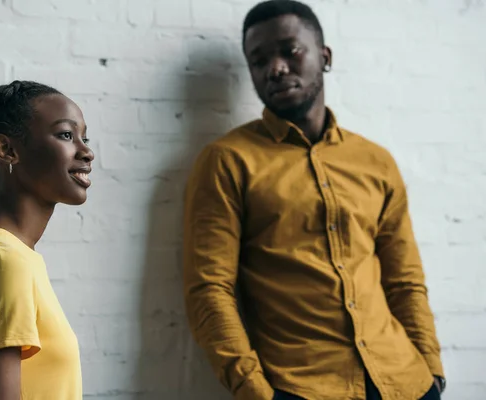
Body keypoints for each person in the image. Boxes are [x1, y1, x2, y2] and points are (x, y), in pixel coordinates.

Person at [182, 1, 445, 399]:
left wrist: (432, 369)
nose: (276, 68)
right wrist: (253, 389)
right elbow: (209, 289)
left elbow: (404, 279)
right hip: (302, 387)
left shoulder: (376, 162)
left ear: (324, 57)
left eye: (290, 51)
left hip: (405, 381)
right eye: (259, 59)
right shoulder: (228, 162)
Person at [0, 80, 94, 400]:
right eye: (66, 134)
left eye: (84, 137)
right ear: (7, 150)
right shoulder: (5, 261)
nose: (87, 151)